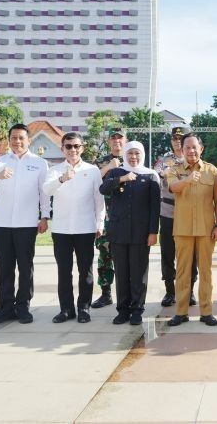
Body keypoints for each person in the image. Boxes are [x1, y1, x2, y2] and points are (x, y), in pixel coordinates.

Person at [0, 123, 50, 325]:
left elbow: (43, 192)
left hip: (27, 224)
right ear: (9, 140)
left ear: (28, 140)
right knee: (4, 267)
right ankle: (6, 308)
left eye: (21, 138)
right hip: (2, 223)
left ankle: (23, 307)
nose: (17, 142)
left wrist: (44, 216)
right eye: (13, 138)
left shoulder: (39, 163)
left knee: (25, 267)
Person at [43, 132, 105, 324]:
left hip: (85, 227)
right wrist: (62, 178)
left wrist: (99, 223)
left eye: (76, 146)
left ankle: (84, 308)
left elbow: (99, 199)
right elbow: (46, 190)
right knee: (64, 271)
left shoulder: (92, 170)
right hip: (61, 228)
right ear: (62, 149)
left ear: (82, 148)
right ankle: (66, 309)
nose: (72, 150)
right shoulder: (54, 170)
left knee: (85, 271)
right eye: (68, 146)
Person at [100, 141, 161, 326]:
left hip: (141, 233)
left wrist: (153, 232)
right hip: (118, 232)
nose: (133, 157)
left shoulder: (151, 175)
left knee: (138, 272)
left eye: (136, 153)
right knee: (121, 272)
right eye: (130, 154)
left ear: (142, 154)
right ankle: (123, 310)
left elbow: (154, 207)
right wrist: (123, 179)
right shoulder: (117, 172)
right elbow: (103, 189)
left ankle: (137, 310)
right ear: (125, 155)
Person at [166, 134, 217, 327]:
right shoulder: (174, 169)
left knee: (206, 271)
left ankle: (206, 312)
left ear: (201, 149)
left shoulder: (212, 171)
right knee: (182, 272)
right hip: (182, 229)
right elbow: (173, 188)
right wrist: (189, 179)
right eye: (187, 148)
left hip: (207, 229)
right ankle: (181, 312)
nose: (191, 151)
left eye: (194, 147)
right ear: (181, 150)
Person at [153, 126, 197, 307]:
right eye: (174, 138)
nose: (177, 141)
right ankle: (170, 291)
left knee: (190, 253)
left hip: (188, 212)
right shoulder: (164, 162)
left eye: (181, 138)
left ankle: (190, 290)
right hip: (169, 212)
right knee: (168, 252)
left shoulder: (194, 160)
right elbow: (155, 177)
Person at [91, 126, 126, 309]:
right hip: (106, 215)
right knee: (104, 255)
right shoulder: (101, 162)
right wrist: (109, 167)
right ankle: (106, 293)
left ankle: (125, 293)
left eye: (120, 138)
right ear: (109, 141)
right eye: (113, 138)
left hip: (126, 216)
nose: (116, 141)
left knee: (125, 256)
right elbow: (94, 180)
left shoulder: (132, 158)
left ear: (125, 140)